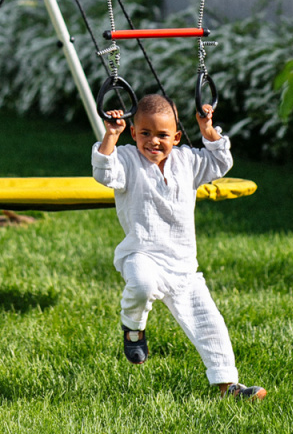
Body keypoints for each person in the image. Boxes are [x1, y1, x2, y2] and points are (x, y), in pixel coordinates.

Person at [91, 93, 266, 400]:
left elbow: (221, 162)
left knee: (210, 324)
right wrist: (111, 136)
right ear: (133, 133)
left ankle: (229, 387)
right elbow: (104, 173)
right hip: (141, 253)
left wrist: (208, 130)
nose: (153, 141)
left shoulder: (187, 160)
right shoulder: (128, 160)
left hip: (183, 263)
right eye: (145, 133)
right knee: (142, 285)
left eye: (162, 135)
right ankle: (133, 327)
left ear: (177, 136)